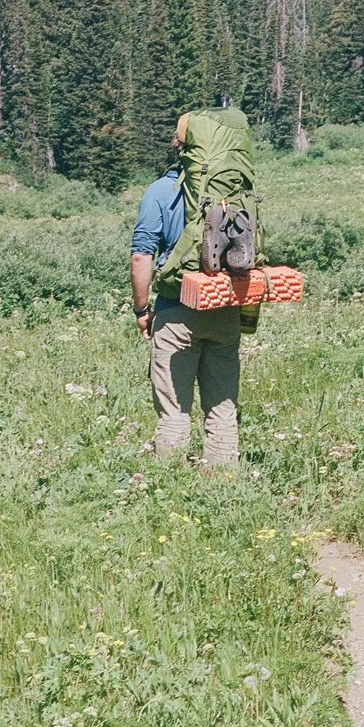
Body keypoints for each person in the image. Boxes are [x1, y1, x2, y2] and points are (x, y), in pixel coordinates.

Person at [130, 115, 242, 468]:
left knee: (175, 411)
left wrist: (141, 310)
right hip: (224, 308)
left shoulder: (160, 192)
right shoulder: (232, 192)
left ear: (179, 147)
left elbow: (141, 255)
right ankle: (224, 484)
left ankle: (171, 488)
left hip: (176, 310)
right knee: (223, 408)